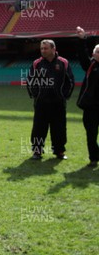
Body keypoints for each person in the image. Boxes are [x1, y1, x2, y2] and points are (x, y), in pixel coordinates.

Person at [26, 39, 74, 160]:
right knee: (38, 128)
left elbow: (71, 81)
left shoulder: (64, 62)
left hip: (58, 103)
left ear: (53, 49)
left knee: (59, 128)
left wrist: (64, 95)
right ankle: (37, 151)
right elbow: (30, 81)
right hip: (41, 103)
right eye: (41, 48)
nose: (43, 51)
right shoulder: (37, 63)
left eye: (45, 48)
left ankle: (59, 151)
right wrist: (36, 95)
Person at [75, 26, 99, 167]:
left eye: (97, 52)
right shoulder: (91, 65)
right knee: (91, 134)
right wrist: (82, 39)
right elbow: (82, 55)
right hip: (90, 108)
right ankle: (93, 158)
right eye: (95, 52)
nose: (95, 54)